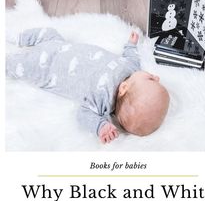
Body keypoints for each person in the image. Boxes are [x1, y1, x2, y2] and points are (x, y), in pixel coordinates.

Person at [6, 28, 170, 144]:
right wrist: (131, 45)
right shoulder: (133, 70)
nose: (156, 76)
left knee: (22, 66)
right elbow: (131, 57)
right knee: (48, 33)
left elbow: (84, 115)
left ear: (124, 88)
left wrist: (101, 126)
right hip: (61, 45)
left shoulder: (102, 100)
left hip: (47, 67)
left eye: (151, 80)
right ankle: (20, 37)